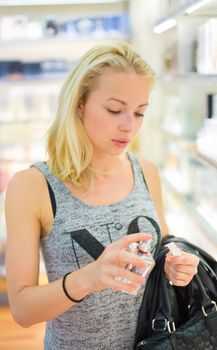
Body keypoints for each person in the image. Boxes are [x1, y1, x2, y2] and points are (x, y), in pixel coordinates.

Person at [5, 42, 199, 350]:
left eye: (139, 113)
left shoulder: (146, 171)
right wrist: (89, 278)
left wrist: (174, 266)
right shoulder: (33, 186)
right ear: (79, 103)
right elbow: (23, 310)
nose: (128, 126)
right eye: (114, 110)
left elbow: (160, 251)